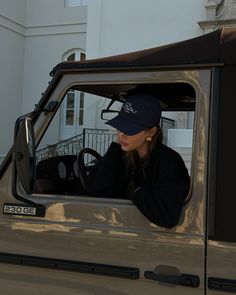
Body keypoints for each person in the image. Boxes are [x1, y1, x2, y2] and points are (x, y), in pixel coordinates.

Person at [86, 93, 190, 228]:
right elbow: (96, 192)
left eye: (130, 130)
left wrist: (137, 192)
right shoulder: (126, 155)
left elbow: (167, 216)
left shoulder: (168, 161)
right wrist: (117, 146)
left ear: (151, 132)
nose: (122, 134)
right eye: (120, 126)